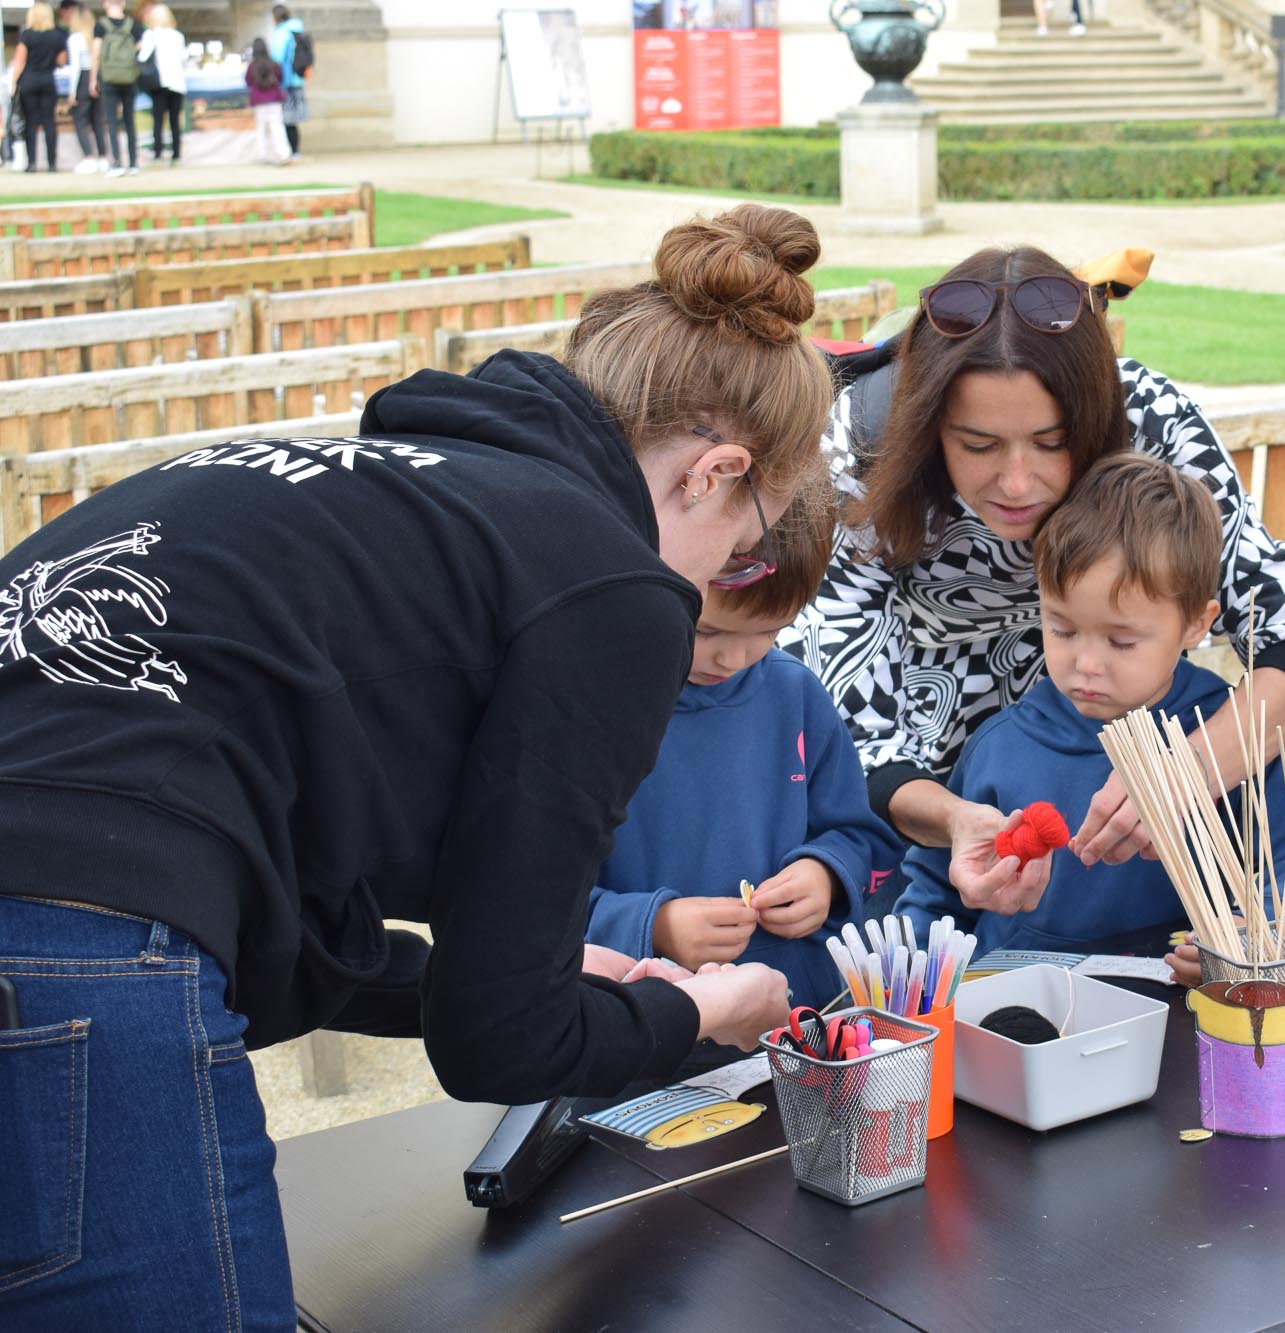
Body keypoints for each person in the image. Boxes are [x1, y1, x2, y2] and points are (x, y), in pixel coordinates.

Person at [0, 204, 822, 1326]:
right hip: (83, 940)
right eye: (746, 543)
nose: (724, 575)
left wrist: (540, 963)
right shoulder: (610, 587)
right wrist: (698, 1014)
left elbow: (303, 903)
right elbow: (499, 1041)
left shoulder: (394, 487)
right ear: (715, 473)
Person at [786, 245, 1285, 925]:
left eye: (1053, 442)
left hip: (1139, 745)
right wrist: (955, 820)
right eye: (979, 444)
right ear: (927, 423)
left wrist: (1185, 774)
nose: (1018, 483)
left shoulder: (1153, 421)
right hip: (927, 790)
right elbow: (849, 733)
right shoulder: (865, 447)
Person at [897, 452, 1285, 953]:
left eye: (1121, 642)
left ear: (1197, 622)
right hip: (1011, 1011)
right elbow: (935, 892)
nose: (1085, 663)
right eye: (1061, 629)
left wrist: (1245, 940)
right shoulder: (999, 744)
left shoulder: (1235, 739)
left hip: (1183, 1013)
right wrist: (909, 967)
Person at [587, 474, 901, 1008]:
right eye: (707, 632)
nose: (733, 659)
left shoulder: (795, 694)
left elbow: (860, 835)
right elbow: (534, 898)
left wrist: (823, 874)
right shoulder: (595, 711)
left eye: (768, 631)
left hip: (794, 1016)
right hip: (642, 1019)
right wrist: (655, 923)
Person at [7, 2, 67, 172]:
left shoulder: (27, 35)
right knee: (49, 122)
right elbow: (62, 61)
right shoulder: (56, 36)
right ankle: (51, 163)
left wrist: (13, 83)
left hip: (29, 81)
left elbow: (20, 61)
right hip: (48, 81)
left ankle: (32, 162)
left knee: (31, 123)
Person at [59, 0, 106, 174]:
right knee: (97, 121)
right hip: (97, 78)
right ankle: (102, 157)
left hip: (83, 79)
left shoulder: (75, 38)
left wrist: (72, 92)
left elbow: (76, 67)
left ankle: (88, 157)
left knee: (80, 120)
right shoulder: (95, 36)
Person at [136, 1, 184, 166]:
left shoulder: (151, 35)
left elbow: (142, 57)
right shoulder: (178, 36)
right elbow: (183, 59)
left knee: (158, 121)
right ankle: (176, 156)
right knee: (174, 121)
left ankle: (157, 156)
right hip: (177, 83)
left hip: (160, 83)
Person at [95, 0, 137, 174]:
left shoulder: (101, 25)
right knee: (129, 121)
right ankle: (133, 163)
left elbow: (96, 53)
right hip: (129, 76)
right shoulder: (133, 25)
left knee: (112, 121)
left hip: (109, 77)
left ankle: (117, 162)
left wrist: (93, 78)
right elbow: (141, 46)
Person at [270, 2, 306, 161]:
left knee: (285, 119)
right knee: (293, 121)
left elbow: (276, 58)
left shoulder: (281, 33)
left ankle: (289, 151)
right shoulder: (297, 31)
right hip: (297, 80)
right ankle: (295, 151)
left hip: (285, 81)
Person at [244, 34, 285, 165]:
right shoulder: (274, 64)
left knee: (261, 129)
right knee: (277, 127)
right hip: (273, 99)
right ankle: (282, 154)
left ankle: (263, 155)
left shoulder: (252, 66)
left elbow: (248, 81)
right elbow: (280, 77)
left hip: (259, 101)